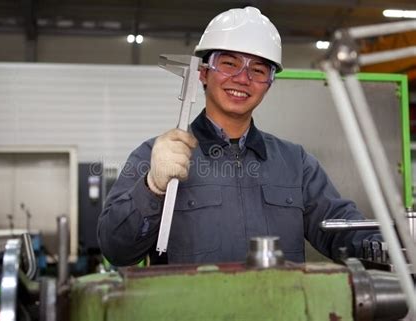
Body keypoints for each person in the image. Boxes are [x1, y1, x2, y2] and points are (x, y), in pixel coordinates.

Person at [98, 6, 379, 266]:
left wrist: (394, 246)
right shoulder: (154, 156)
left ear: (269, 84)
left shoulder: (296, 163)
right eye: (229, 64)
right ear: (203, 73)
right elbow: (116, 249)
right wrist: (152, 187)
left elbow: (345, 232)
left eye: (258, 70)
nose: (242, 79)